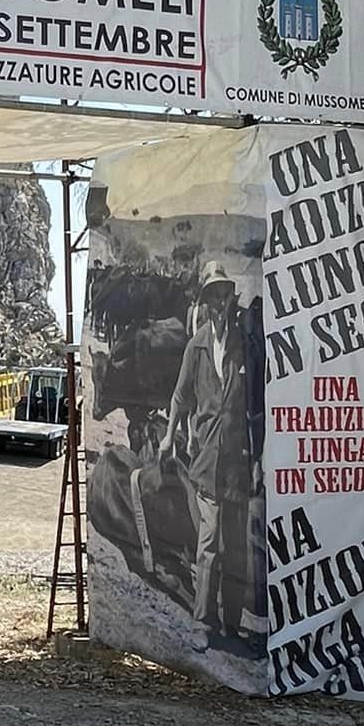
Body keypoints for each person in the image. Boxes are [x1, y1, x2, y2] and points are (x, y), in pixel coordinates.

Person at [162, 262, 254, 652]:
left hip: (238, 462)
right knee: (210, 542)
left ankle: (231, 624)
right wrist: (169, 436)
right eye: (213, 295)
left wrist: (260, 457)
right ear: (205, 301)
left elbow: (259, 404)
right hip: (206, 461)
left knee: (237, 547)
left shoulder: (245, 344)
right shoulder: (196, 346)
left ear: (232, 298)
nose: (219, 302)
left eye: (224, 294)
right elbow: (180, 397)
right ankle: (204, 621)